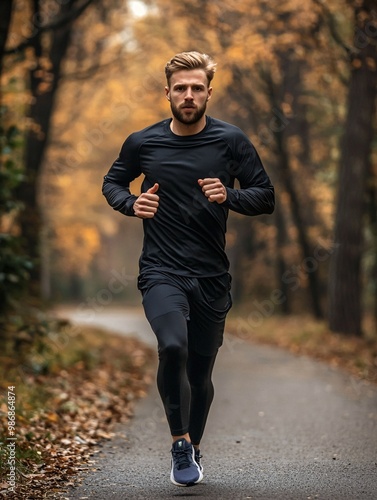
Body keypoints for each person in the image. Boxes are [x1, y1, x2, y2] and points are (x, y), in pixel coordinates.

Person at [102, 51, 275, 487]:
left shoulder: (231, 141)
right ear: (167, 93)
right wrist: (130, 203)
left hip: (212, 277)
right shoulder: (143, 142)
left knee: (200, 375)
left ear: (209, 93)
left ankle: (194, 447)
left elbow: (265, 195)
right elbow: (112, 182)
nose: (189, 95)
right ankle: (180, 444)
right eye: (181, 88)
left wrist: (229, 197)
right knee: (172, 346)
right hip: (161, 270)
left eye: (197, 88)